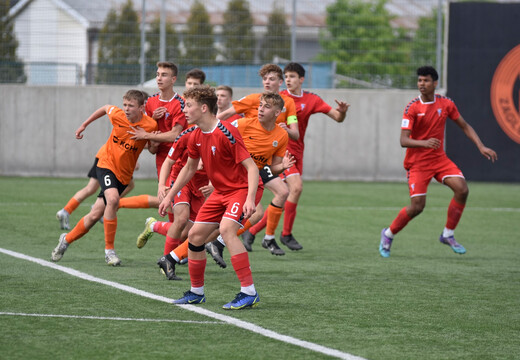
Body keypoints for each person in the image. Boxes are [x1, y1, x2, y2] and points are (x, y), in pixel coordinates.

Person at [158, 85, 262, 310]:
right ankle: (196, 292)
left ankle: (249, 292)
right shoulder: (195, 135)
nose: (184, 110)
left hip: (240, 190)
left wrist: (250, 199)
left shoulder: (227, 132)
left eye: (189, 106)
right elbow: (189, 169)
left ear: (204, 108)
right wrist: (169, 196)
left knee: (226, 230)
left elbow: (252, 168)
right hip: (221, 193)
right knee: (195, 236)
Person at [379, 66, 497, 257]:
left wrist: (481, 146)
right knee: (418, 207)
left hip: (439, 160)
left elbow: (465, 126)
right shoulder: (412, 108)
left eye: (425, 80)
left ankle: (448, 234)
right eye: (419, 80)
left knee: (462, 189)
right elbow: (403, 140)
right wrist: (425, 143)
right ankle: (388, 234)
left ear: (435, 83)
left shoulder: (447, 104)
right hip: (417, 164)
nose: (421, 84)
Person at [243, 62, 349, 251]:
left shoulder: (311, 99)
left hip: (298, 153)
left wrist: (342, 112)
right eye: (286, 76)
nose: (289, 80)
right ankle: (284, 234)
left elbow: (337, 118)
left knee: (284, 195)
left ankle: (253, 231)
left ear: (301, 79)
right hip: (280, 153)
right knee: (294, 189)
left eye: (292, 76)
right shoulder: (278, 100)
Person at [51, 90, 157, 266]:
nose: (127, 109)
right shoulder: (118, 115)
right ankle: (110, 252)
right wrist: (84, 125)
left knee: (94, 215)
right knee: (113, 199)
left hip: (124, 174)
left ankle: (66, 240)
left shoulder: (150, 125)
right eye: (125, 105)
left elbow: (153, 148)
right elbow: (105, 108)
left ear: (141, 107)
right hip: (106, 164)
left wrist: (146, 138)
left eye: (131, 106)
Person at [206, 92, 295, 261]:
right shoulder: (245, 117)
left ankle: (210, 245)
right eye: (260, 106)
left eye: (266, 107)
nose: (260, 109)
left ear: (277, 112)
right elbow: (219, 128)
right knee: (204, 224)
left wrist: (282, 166)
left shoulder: (282, 132)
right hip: (233, 173)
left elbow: (272, 166)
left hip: (257, 170)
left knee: (271, 200)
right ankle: (180, 252)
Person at [56, 144, 135, 230]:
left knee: (91, 188)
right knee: (129, 185)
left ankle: (66, 211)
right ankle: (101, 206)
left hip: (105, 155)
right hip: (111, 159)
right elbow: (133, 142)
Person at [218, 63, 300, 141]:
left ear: (280, 82)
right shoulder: (252, 99)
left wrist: (287, 129)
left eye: (271, 79)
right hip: (249, 148)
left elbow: (296, 135)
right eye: (264, 79)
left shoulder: (288, 102)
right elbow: (224, 115)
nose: (267, 82)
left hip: (272, 148)